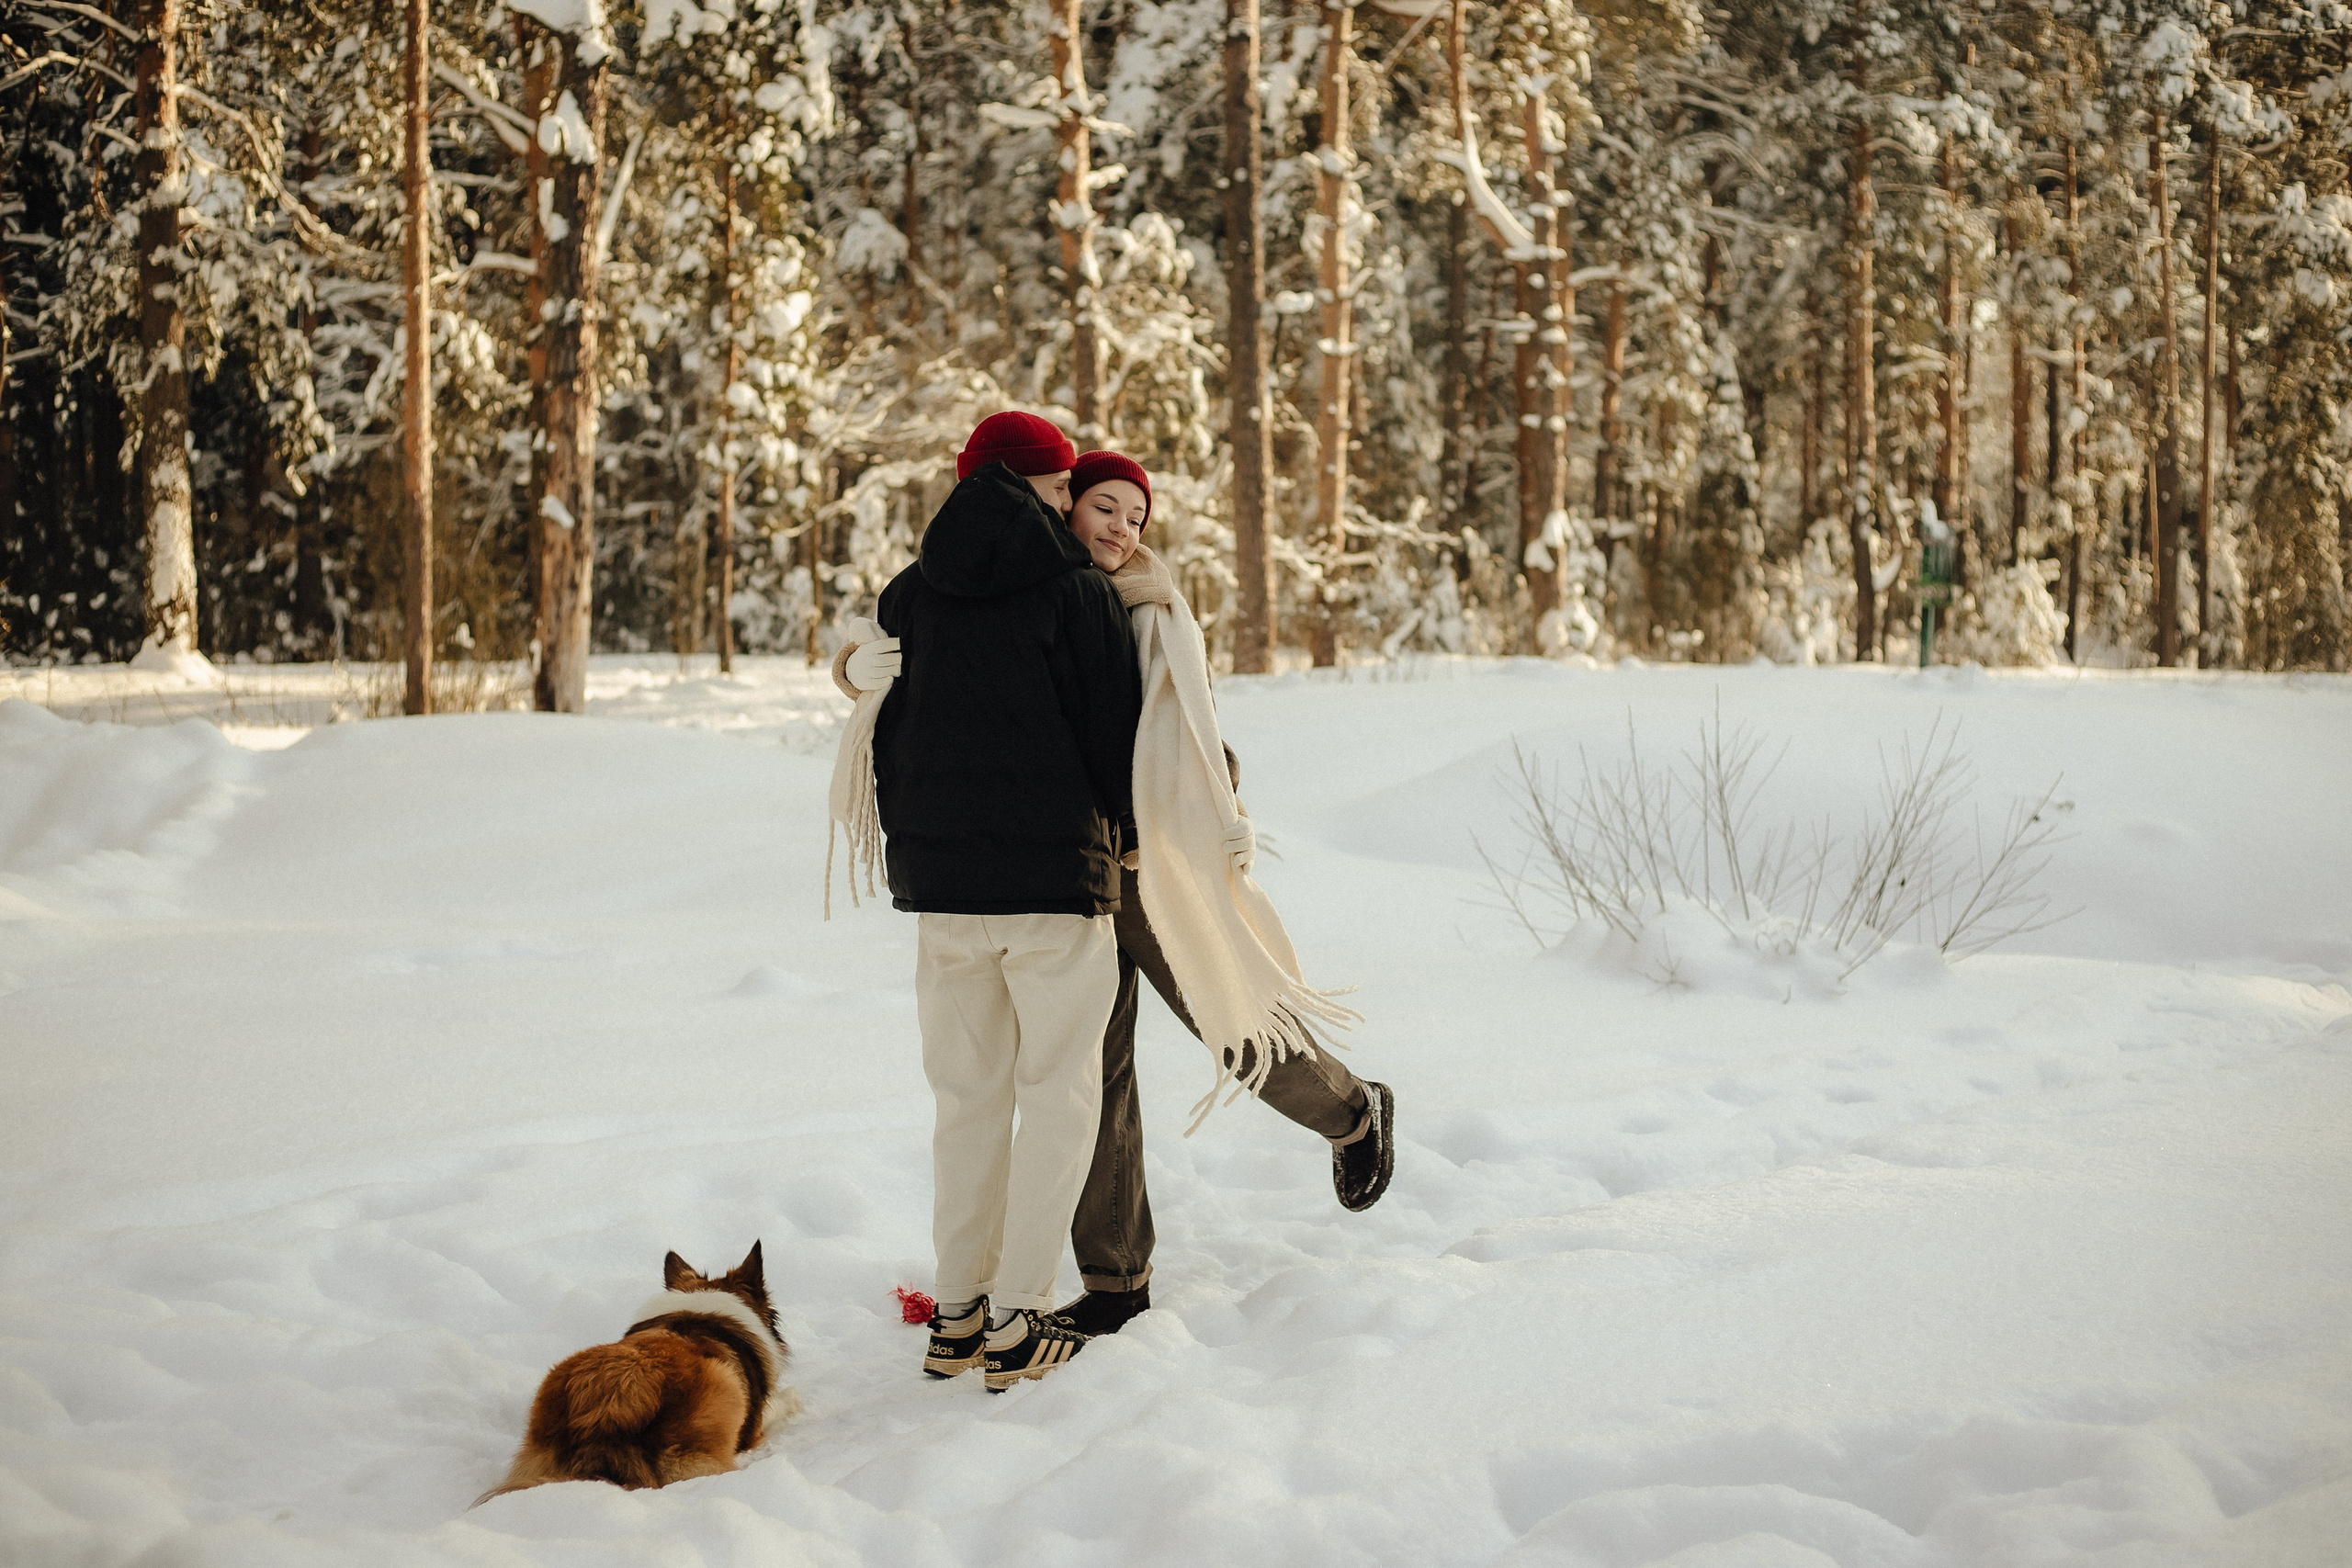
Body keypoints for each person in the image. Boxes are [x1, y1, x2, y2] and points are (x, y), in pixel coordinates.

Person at [836, 448, 1395, 1343]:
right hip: (1061, 870)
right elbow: (909, 647)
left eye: (1136, 516)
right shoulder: (1032, 587)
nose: (1121, 528)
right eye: (1101, 506)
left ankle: (1351, 1109)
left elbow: (1187, 729)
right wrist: (853, 669)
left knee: (1226, 1017)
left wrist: (1223, 794)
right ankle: (1114, 1277)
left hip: (1150, 864)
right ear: (1062, 513)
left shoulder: (1149, 604)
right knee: (1090, 1073)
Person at [831, 411, 1141, 1391]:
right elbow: (1116, 739)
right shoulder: (1075, 592)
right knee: (1058, 1100)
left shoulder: (912, 593)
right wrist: (1134, 844)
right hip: (1054, 891)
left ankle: (955, 1313)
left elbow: (884, 721)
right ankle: (1016, 1321)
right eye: (1060, 487)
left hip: (943, 892)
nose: (1067, 503)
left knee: (965, 1105)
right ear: (1029, 484)